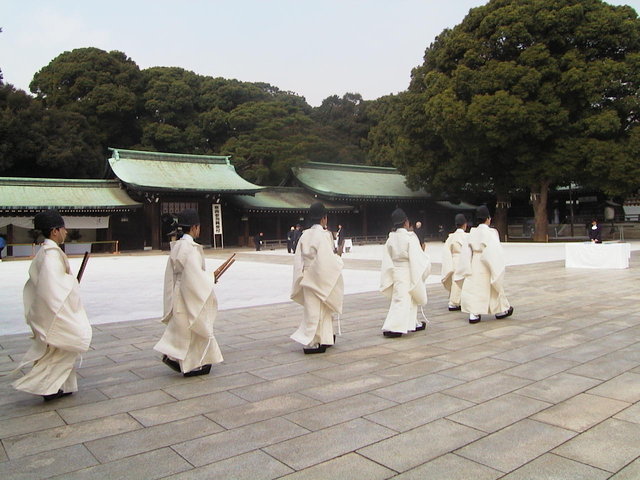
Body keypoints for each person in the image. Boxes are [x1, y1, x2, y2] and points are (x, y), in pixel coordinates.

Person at [12, 210, 92, 401]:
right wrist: (71, 284)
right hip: (55, 312)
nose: (66, 232)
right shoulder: (50, 255)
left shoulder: (48, 253)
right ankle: (47, 387)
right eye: (63, 229)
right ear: (55, 231)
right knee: (62, 350)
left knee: (60, 351)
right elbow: (52, 288)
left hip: (51, 310)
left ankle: (63, 386)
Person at [154, 209, 223, 376]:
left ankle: (182, 360)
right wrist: (210, 278)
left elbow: (175, 274)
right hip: (188, 293)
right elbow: (194, 275)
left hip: (180, 291)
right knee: (193, 328)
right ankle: (189, 365)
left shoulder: (178, 246)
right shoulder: (190, 248)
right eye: (198, 227)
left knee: (182, 330)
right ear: (194, 227)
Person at [290, 202, 344, 354]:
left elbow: (298, 258)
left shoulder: (304, 235)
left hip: (307, 274)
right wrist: (338, 260)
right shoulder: (324, 235)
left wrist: (300, 276)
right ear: (324, 219)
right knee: (321, 308)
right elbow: (327, 258)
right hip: (319, 273)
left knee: (313, 308)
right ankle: (314, 341)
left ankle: (325, 338)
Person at [379, 209, 431, 337]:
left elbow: (387, 259)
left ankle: (414, 322)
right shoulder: (410, 237)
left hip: (396, 271)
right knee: (402, 300)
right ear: (405, 222)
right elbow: (417, 257)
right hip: (408, 271)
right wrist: (424, 261)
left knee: (404, 299)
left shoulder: (391, 238)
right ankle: (393, 327)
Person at [459, 205, 513, 324]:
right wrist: (496, 265)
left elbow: (465, 252)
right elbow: (495, 250)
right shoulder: (491, 232)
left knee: (475, 288)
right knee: (492, 285)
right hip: (487, 260)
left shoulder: (471, 233)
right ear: (488, 219)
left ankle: (474, 314)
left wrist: (465, 267)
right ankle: (499, 311)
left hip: (475, 261)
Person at [441, 214, 469, 311]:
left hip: (454, 260)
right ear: (465, 224)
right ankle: (455, 302)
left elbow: (446, 252)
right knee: (463, 282)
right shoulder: (467, 236)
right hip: (464, 259)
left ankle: (454, 302)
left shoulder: (451, 237)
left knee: (455, 282)